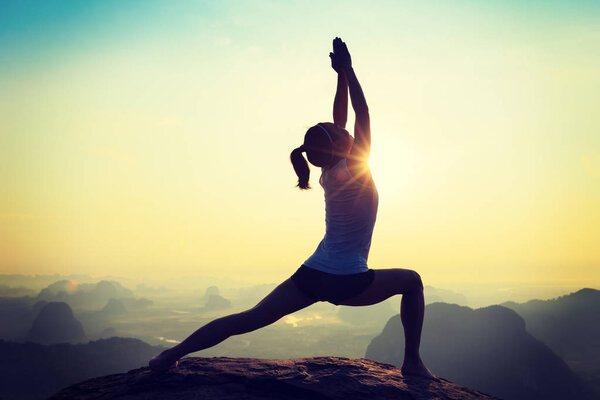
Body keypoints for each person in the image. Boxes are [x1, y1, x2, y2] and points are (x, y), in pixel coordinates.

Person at [149, 37, 435, 379]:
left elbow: (341, 121)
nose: (337, 125)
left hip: (312, 274)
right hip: (349, 280)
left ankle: (171, 354)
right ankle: (413, 362)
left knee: (248, 319)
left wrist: (340, 76)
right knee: (413, 282)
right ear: (343, 146)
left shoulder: (329, 172)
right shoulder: (356, 170)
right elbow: (363, 113)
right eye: (334, 130)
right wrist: (350, 70)